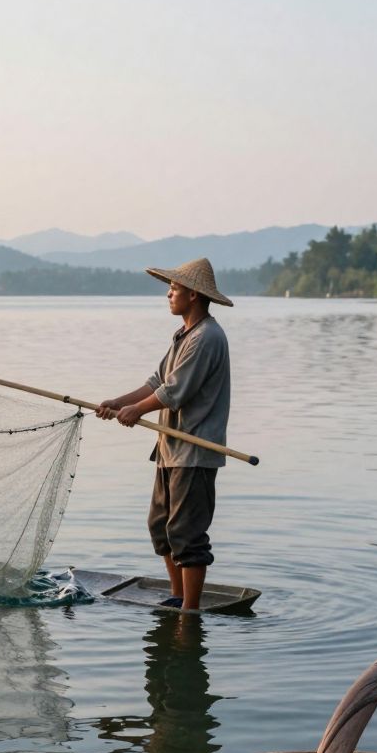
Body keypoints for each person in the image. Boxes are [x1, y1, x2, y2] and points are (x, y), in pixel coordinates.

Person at [97, 256, 233, 612]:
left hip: (194, 451)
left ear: (193, 294)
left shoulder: (207, 337)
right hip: (170, 449)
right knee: (161, 528)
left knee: (187, 534)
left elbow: (175, 392)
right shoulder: (183, 335)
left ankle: (189, 610)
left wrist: (136, 411)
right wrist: (118, 401)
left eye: (174, 288)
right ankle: (177, 596)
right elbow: (156, 383)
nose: (169, 293)